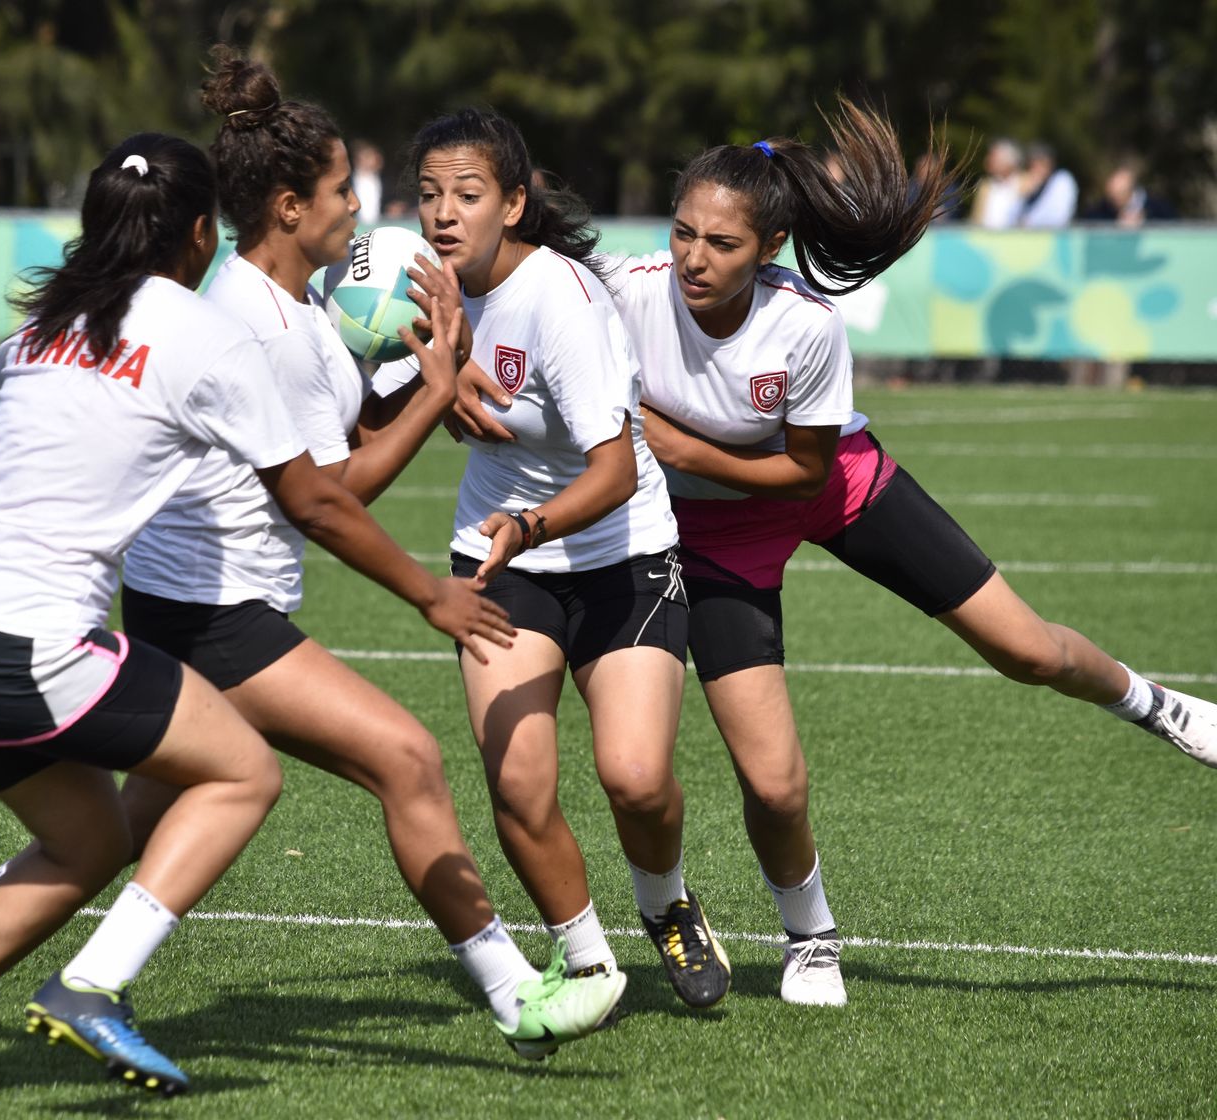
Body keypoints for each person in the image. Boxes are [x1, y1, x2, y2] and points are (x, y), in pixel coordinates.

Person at [0, 52, 625, 1063]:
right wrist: (435, 406)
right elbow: (333, 495)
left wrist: (425, 382)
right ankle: (515, 995)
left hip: (191, 600)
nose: (361, 212)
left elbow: (330, 437)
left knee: (147, 807)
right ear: (289, 208)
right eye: (342, 194)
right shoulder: (255, 323)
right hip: (214, 612)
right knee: (407, 761)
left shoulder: (297, 311)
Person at [454, 101, 1217, 1010]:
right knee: (775, 784)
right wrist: (449, 349)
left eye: (723, 244)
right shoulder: (620, 288)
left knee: (1028, 651)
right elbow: (508, 277)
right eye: (684, 233)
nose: (694, 259)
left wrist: (674, 443)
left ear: (769, 247)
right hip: (714, 535)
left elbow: (804, 471)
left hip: (829, 485)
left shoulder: (806, 326)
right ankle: (810, 937)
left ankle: (1153, 702)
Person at [0, 133, 515, 1103]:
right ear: (199, 233)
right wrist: (429, 589)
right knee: (243, 771)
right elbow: (316, 503)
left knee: (91, 839)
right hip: (26, 637)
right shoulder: (206, 336)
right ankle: (93, 986)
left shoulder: (54, 316)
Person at [397, 107, 732, 1012]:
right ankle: (587, 965)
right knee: (518, 782)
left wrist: (530, 525)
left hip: (619, 551)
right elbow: (361, 404)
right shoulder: (412, 292)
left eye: (467, 194)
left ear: (513, 204)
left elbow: (615, 472)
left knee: (636, 778)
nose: (443, 213)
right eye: (429, 194)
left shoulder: (561, 300)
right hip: (500, 560)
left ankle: (666, 902)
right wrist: (427, 378)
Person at [1081, 159, 1175, 226]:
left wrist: (1145, 220)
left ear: (1130, 191)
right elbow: (1088, 224)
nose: (1114, 200)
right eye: (1112, 196)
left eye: (1119, 194)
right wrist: (1115, 224)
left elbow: (1174, 228)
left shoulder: (1159, 207)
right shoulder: (1101, 209)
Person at [1016, 141, 1078, 228]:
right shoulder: (1032, 186)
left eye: (1038, 164)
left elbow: (1059, 217)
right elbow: (1011, 218)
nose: (1034, 170)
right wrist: (1022, 196)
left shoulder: (1062, 180)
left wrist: (1028, 221)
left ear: (1048, 163)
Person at [971, 138, 1022, 230]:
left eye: (993, 158)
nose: (987, 161)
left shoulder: (1025, 183)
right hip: (984, 236)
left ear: (1008, 161)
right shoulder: (984, 186)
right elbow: (976, 219)